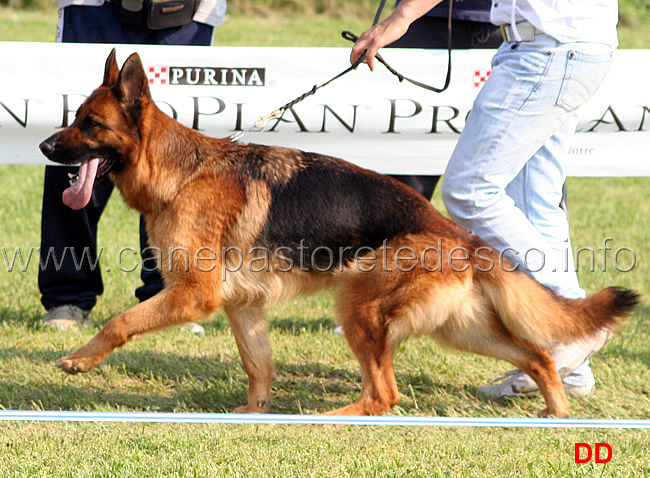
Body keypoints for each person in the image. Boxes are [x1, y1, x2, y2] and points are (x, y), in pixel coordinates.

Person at [350, 0, 616, 399]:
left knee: (471, 190)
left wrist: (399, 18)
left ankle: (578, 317)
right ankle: (570, 364)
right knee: (535, 200)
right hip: (565, 48)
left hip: (550, 50)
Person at [40, 0, 226, 333]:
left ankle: (169, 298)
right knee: (81, 137)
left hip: (188, 13)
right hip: (93, 8)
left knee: (171, 156)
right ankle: (67, 296)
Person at [386, 0, 502, 200]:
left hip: (519, 29)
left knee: (529, 186)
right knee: (404, 193)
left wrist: (405, 12)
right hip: (424, 24)